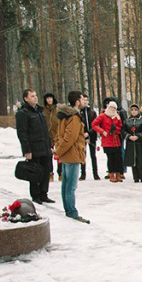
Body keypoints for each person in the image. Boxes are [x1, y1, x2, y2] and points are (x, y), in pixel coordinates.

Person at [54, 91, 89, 223]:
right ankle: (72, 212)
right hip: (72, 154)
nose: (84, 101)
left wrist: (59, 150)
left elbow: (59, 135)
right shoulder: (74, 117)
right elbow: (70, 138)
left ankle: (68, 209)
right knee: (71, 186)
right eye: (81, 98)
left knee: (66, 184)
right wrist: (59, 151)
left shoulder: (64, 115)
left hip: (66, 154)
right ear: (77, 101)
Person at [15, 88, 54, 204]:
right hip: (34, 148)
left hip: (45, 147)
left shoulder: (40, 111)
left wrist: (49, 145)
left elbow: (45, 130)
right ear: (26, 98)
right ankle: (36, 195)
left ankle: (44, 194)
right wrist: (27, 150)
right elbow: (22, 133)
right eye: (32, 96)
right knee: (35, 172)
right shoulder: (23, 113)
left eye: (36, 95)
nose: (35, 97)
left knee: (46, 171)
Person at [91, 99, 124, 182]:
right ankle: (111, 174)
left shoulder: (117, 116)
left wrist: (116, 129)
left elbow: (120, 126)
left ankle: (118, 174)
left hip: (116, 140)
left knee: (118, 158)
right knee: (111, 158)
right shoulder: (103, 115)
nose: (112, 109)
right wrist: (102, 131)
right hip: (107, 140)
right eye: (111, 107)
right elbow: (94, 124)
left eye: (114, 108)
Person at [124, 104, 142, 182]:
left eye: (135, 110)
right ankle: (135, 177)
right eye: (132, 110)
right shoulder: (127, 120)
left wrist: (139, 136)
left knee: (141, 160)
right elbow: (123, 130)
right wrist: (129, 136)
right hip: (131, 143)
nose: (134, 112)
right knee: (133, 160)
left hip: (140, 142)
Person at [78, 93, 99, 180]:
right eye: (84, 100)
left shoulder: (92, 112)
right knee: (83, 155)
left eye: (86, 100)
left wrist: (89, 133)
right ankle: (83, 174)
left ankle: (95, 174)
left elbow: (95, 125)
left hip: (92, 136)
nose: (85, 102)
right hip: (82, 137)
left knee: (93, 155)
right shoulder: (79, 112)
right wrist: (83, 134)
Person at [43, 92, 59, 181]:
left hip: (57, 134)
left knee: (59, 153)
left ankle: (60, 172)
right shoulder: (43, 110)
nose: (49, 100)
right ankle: (50, 173)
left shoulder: (57, 108)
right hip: (48, 135)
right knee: (49, 155)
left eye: (50, 98)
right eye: (47, 98)